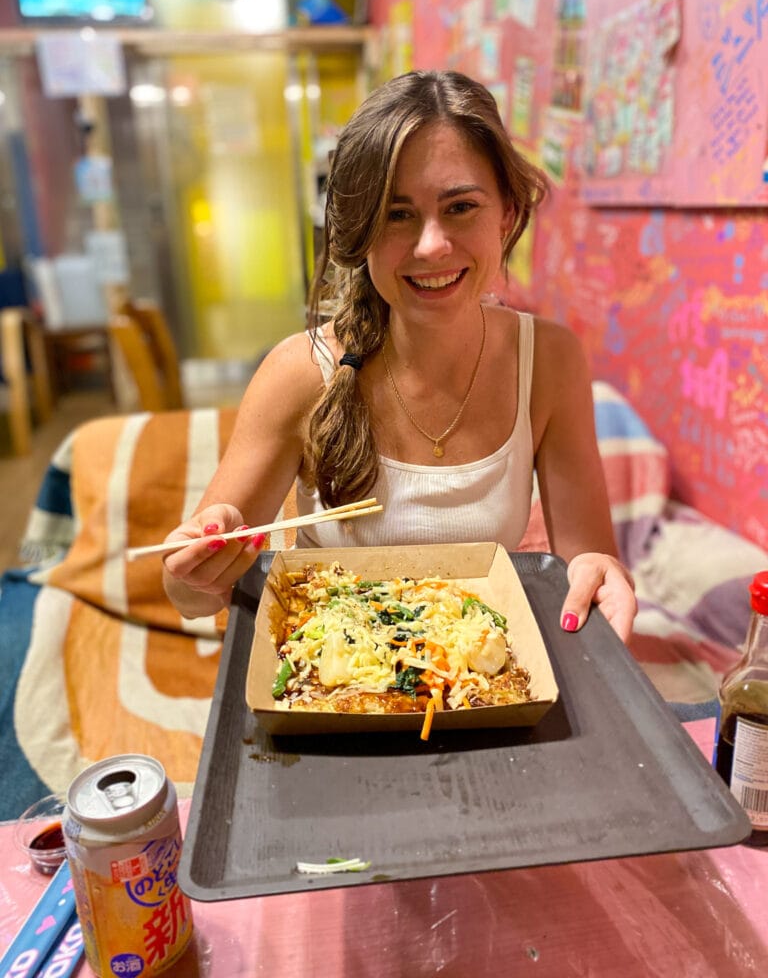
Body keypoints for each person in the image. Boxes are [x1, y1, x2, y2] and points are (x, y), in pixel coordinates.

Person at [162, 69, 637, 641]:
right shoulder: (300, 372)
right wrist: (197, 573)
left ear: (506, 214)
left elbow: (588, 565)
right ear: (361, 232)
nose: (432, 245)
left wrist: (599, 575)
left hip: (478, 681)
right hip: (328, 686)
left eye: (461, 207)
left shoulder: (550, 361)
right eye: (396, 213)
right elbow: (190, 595)